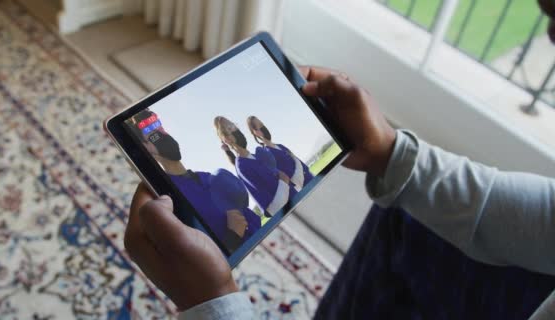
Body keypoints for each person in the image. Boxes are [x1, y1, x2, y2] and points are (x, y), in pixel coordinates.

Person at [123, 1, 555, 318]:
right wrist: (390, 152)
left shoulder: (229, 168)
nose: (542, 8)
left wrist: (213, 303)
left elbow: (272, 193)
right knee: (405, 213)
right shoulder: (235, 167)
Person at [129, 110, 260, 253]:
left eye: (163, 130)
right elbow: (195, 253)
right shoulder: (170, 199)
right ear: (146, 147)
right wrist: (233, 238)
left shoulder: (207, 176)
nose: (165, 136)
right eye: (155, 136)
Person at [214, 116, 297, 217]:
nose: (236, 129)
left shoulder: (255, 156)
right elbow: (272, 210)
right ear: (226, 139)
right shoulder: (243, 167)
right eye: (230, 128)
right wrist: (284, 182)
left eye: (234, 125)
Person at [247, 116, 315, 191]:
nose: (263, 127)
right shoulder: (267, 154)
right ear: (255, 132)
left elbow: (298, 161)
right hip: (304, 187)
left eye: (262, 124)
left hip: (311, 178)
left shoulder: (280, 146)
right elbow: (285, 175)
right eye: (260, 126)